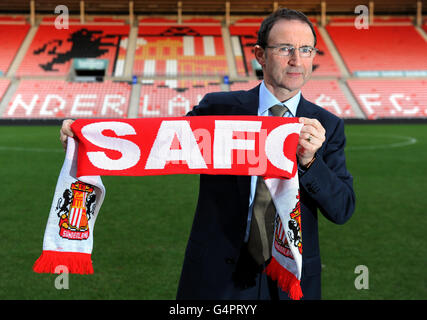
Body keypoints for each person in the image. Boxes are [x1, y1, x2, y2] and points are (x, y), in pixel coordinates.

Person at [59, 8, 355, 300]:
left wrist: (309, 161)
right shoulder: (219, 109)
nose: (296, 60)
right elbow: (156, 143)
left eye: (306, 49)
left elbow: (342, 209)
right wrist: (88, 141)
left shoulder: (327, 126)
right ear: (260, 55)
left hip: (289, 280)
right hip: (216, 276)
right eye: (284, 48)